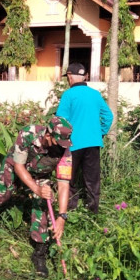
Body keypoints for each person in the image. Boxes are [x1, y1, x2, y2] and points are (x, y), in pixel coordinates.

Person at [0, 116, 73, 277]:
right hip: (15, 166)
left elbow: (63, 184)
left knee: (43, 203)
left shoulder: (65, 151)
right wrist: (35, 188)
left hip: (40, 174)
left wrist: (62, 216)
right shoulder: (28, 134)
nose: (61, 147)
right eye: (58, 142)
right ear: (48, 135)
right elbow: (19, 166)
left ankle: (39, 253)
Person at [56, 62, 113, 213]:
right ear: (85, 76)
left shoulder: (68, 95)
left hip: (73, 144)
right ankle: (93, 211)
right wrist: (100, 133)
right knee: (92, 179)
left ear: (70, 76)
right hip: (93, 143)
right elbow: (108, 116)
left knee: (70, 178)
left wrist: (60, 142)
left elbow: (60, 121)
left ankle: (70, 210)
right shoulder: (95, 94)